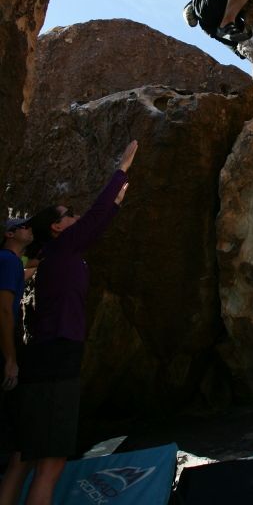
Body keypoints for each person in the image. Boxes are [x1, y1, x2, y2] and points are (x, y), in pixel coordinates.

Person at [0, 140, 138, 505]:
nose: (75, 217)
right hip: (58, 358)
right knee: (50, 463)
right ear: (57, 228)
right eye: (68, 215)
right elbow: (94, 217)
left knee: (22, 458)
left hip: (42, 357)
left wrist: (116, 202)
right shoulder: (63, 248)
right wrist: (121, 169)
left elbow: (96, 222)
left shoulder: (55, 254)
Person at [0, 218, 34, 391]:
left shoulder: (10, 261)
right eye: (24, 226)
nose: (30, 229)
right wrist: (10, 358)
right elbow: (4, 310)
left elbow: (24, 270)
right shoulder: (9, 261)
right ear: (10, 234)